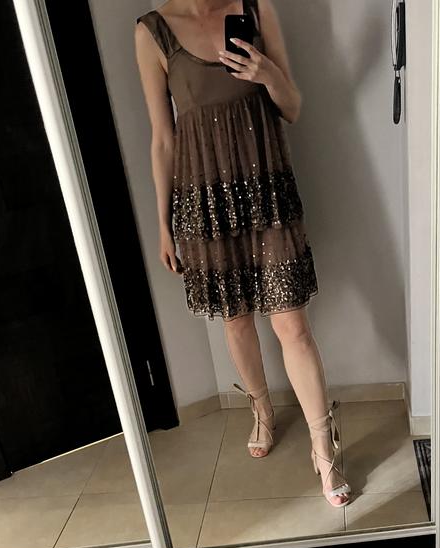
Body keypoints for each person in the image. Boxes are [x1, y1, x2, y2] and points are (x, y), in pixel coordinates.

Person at [135, 0, 351, 507]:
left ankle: (324, 448)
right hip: (204, 200)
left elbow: (292, 107)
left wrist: (266, 73)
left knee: (292, 324)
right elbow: (163, 139)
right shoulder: (153, 33)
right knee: (235, 321)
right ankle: (262, 410)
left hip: (266, 192)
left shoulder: (254, 8)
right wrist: (163, 224)